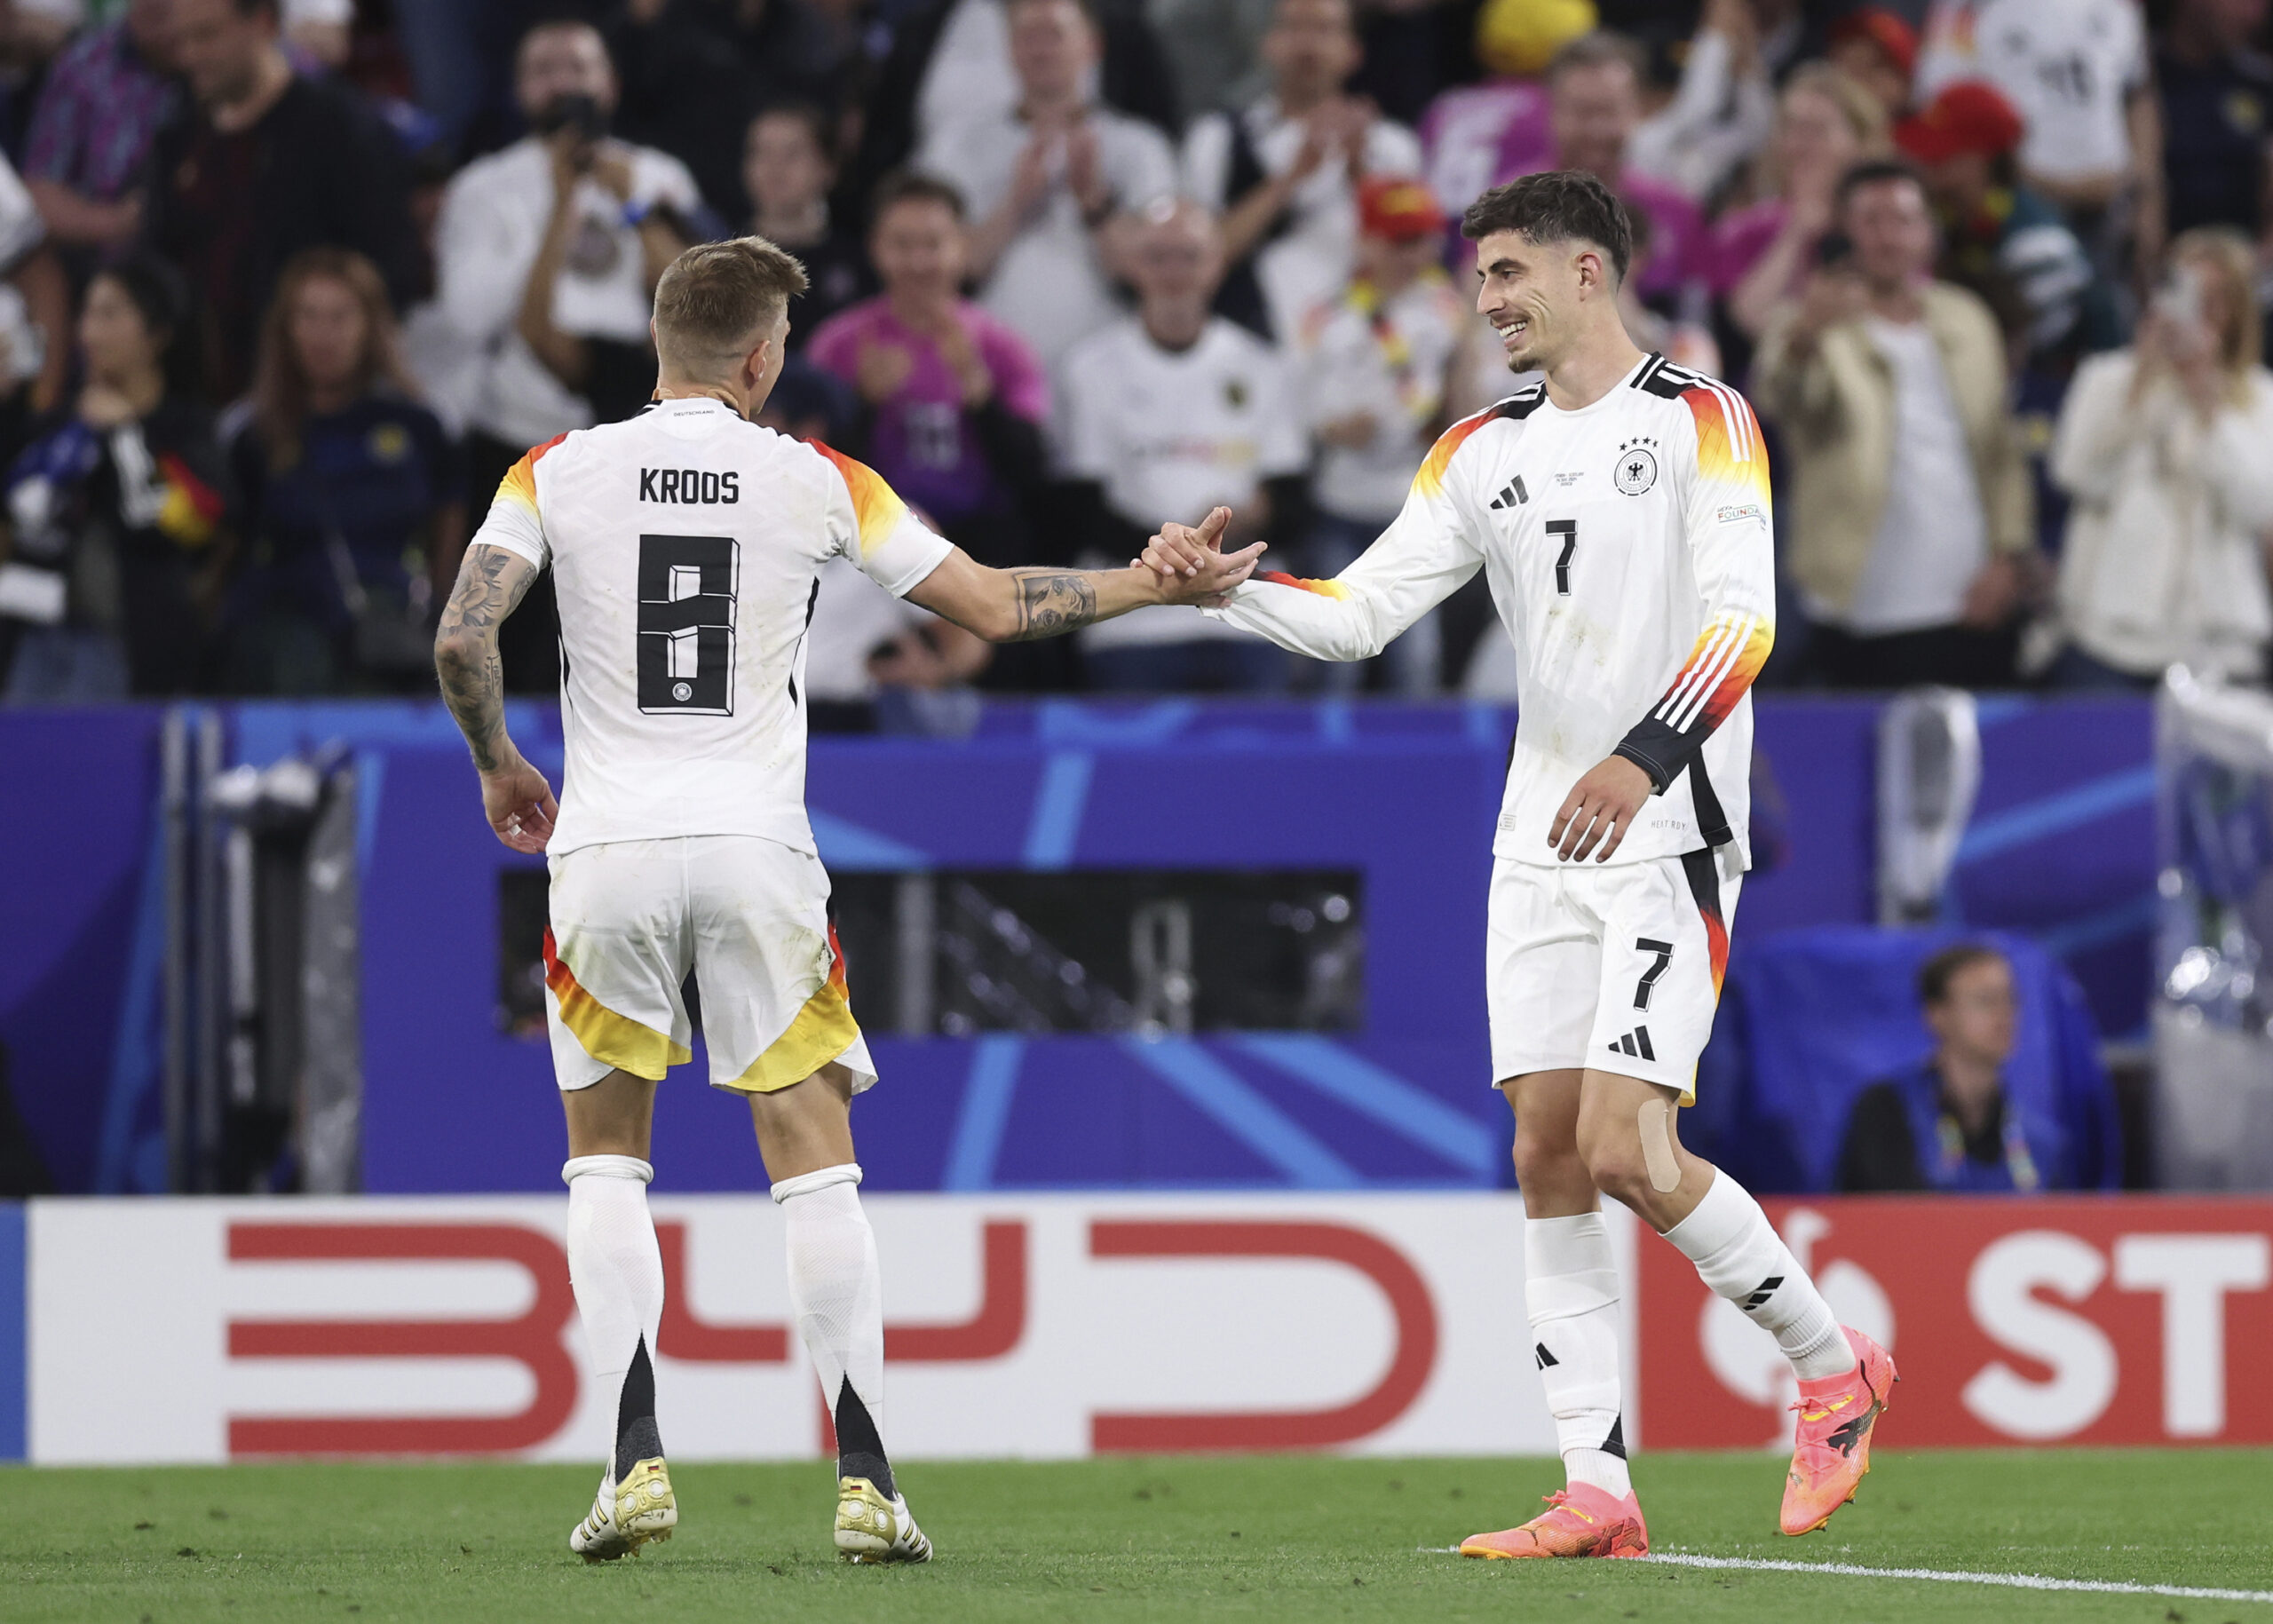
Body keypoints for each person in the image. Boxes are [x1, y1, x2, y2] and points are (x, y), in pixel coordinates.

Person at [430, 234, 1256, 1565]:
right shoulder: (816, 477)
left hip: (608, 848)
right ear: (763, 358)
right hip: (759, 848)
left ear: (659, 339)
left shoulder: (554, 469)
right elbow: (992, 606)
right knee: (812, 1157)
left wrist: (497, 764)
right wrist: (1155, 582)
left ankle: (635, 1457)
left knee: (605, 1157)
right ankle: (867, 1478)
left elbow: (464, 635)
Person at [1142, 171, 1893, 1555]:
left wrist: (1644, 755)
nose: (1487, 301)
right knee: (1546, 1150)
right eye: (1480, 278)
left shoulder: (1702, 422)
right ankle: (1597, 1490)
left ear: (1589, 272)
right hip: (1537, 838)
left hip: (1668, 829)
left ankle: (1834, 1362)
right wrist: (1229, 587)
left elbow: (1744, 625)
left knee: (1625, 1146)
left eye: (1507, 274)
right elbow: (1363, 618)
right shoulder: (1476, 449)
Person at [427, 18, 702, 691]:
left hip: (636, 426)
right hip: (520, 430)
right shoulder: (483, 187)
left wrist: (631, 202)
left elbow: (699, 303)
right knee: (519, 648)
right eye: (544, 69)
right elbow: (469, 316)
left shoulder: (655, 173)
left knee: (631, 642)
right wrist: (557, 201)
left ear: (608, 83)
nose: (563, 84)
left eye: (577, 67)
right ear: (520, 90)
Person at [1753, 159, 2035, 689]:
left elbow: (2001, 451)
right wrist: (1809, 334)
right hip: (1857, 599)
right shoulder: (1805, 322)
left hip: (1969, 596)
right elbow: (1785, 402)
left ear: (1928, 232)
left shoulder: (1967, 318)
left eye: (1904, 220)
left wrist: (2009, 556)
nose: (1889, 236)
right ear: (1843, 230)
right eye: (1871, 220)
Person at [1059, 201, 1306, 692]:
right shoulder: (1089, 369)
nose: (1174, 272)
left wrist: (1254, 515)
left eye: (1189, 256)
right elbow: (1079, 508)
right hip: (1132, 623)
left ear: (1217, 264)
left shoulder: (1263, 366)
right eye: (1158, 256)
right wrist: (1184, 554)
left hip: (1247, 618)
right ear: (1132, 264)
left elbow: (1292, 498)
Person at [139, 0, 416, 403]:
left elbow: (390, 271)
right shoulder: (176, 142)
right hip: (198, 403)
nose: (190, 55)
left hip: (316, 407)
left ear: (264, 23)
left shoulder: (340, 130)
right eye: (182, 40)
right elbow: (156, 272)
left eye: (207, 35)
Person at [224, 248, 464, 695]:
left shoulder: (421, 426)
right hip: (285, 638)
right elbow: (230, 552)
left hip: (397, 631)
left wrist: (444, 617)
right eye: (308, 316)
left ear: (370, 326)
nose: (323, 334)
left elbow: (448, 533)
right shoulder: (252, 435)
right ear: (285, 328)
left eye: (339, 317)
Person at [2046, 226, 2273, 689]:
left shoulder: (2260, 397)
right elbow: (2076, 475)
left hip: (2219, 643)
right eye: (2189, 292)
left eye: (2217, 299)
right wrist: (2140, 384)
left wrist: (2208, 401)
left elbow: (2261, 503)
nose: (2201, 312)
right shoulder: (2107, 379)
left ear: (2239, 312)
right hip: (2107, 637)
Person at [1, 256, 230, 701]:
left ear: (158, 334)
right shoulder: (56, 426)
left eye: (110, 314)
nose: (89, 332)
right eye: (86, 313)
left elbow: (186, 525)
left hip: (130, 645)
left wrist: (126, 435)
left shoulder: (187, 431)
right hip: (32, 639)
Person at [916, 0, 1179, 370]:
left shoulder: (1140, 146)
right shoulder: (955, 147)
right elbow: (932, 268)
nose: (1041, 49)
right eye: (1027, 36)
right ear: (1008, 48)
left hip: (1110, 363)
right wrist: (1015, 205)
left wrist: (1095, 204)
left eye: (1054, 35)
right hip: (986, 360)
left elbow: (1158, 269)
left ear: (1092, 45)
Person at [806, 172, 1049, 572]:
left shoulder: (1002, 346)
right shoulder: (838, 345)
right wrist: (862, 403)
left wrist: (982, 400)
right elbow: (808, 474)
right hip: (864, 552)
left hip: (981, 548)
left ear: (962, 245)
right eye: (902, 245)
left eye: (933, 244)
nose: (918, 262)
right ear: (875, 248)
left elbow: (1032, 470)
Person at [1297, 175, 1466, 694]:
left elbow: (1458, 396)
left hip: (1414, 509)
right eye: (1400, 241)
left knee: (1416, 659)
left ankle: (1417, 771)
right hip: (1340, 505)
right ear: (1367, 241)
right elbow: (1298, 399)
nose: (1415, 255)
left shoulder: (1452, 311)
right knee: (1337, 655)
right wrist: (1328, 427)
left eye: (1423, 239)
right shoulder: (1327, 315)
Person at [1181, 0, 1424, 345]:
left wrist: (1359, 172)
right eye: (1294, 27)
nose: (1308, 44)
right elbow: (1196, 261)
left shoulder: (1392, 145)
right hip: (1254, 342)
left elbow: (1411, 258)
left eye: (1324, 30)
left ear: (1353, 51)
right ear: (1267, 44)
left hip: (1362, 350)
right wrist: (1289, 180)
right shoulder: (1217, 138)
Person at [1894, 79, 2105, 369]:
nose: (1922, 160)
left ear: (1980, 157)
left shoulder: (2040, 245)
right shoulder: (1939, 218)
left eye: (1940, 150)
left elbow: (2036, 352)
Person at [1914, 0, 2160, 245]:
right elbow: (1945, 108)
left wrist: (2148, 198)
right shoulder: (1967, 7)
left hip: (2116, 201)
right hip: (2020, 201)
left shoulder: (2120, 6)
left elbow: (2138, 95)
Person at [1837, 944, 2054, 1192]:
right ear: (1937, 1014)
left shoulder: (2040, 1140)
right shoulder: (1887, 1110)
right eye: (1985, 1000)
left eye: (2010, 998)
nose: (2004, 1014)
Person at [1532, 33, 1709, 312]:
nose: (1596, 130)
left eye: (1609, 112)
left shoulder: (1676, 211)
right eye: (1583, 113)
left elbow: (1695, 320)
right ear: (1552, 112)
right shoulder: (1508, 209)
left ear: (1638, 111)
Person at [1719, 64, 1889, 344]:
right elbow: (1746, 321)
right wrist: (1797, 231)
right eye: (1791, 128)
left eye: (1817, 130)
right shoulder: (1746, 228)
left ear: (1861, 144)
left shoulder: (1888, 225)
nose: (1798, 145)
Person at [20, 0, 179, 262]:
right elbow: (40, 190)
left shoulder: (218, 60)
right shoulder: (84, 65)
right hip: (103, 264)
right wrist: (116, 222)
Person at [744, 104, 871, 352]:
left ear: (828, 168)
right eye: (762, 153)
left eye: (791, 155)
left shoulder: (859, 261)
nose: (774, 168)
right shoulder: (714, 258)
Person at [2156, 0, 2273, 240]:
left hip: (2243, 262)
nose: (2254, 15)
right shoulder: (2136, 81)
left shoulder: (2261, 86)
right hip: (2140, 259)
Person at [1825, 6, 1918, 123]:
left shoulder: (1923, 139)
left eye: (1876, 66)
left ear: (1904, 86)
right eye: (1847, 61)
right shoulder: (1802, 130)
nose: (1856, 79)